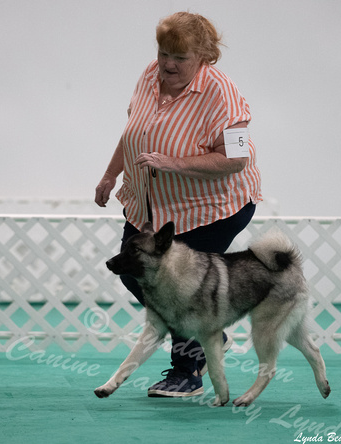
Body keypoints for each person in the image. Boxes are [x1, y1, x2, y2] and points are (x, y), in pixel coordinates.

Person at [95, 11, 262, 398]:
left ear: (203, 56)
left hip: (209, 207)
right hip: (151, 204)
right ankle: (212, 336)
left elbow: (237, 159)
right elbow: (132, 131)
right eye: (163, 52)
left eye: (180, 57)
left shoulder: (222, 94)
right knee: (130, 269)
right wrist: (110, 174)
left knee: (182, 287)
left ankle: (187, 373)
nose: (168, 63)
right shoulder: (151, 75)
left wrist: (174, 164)